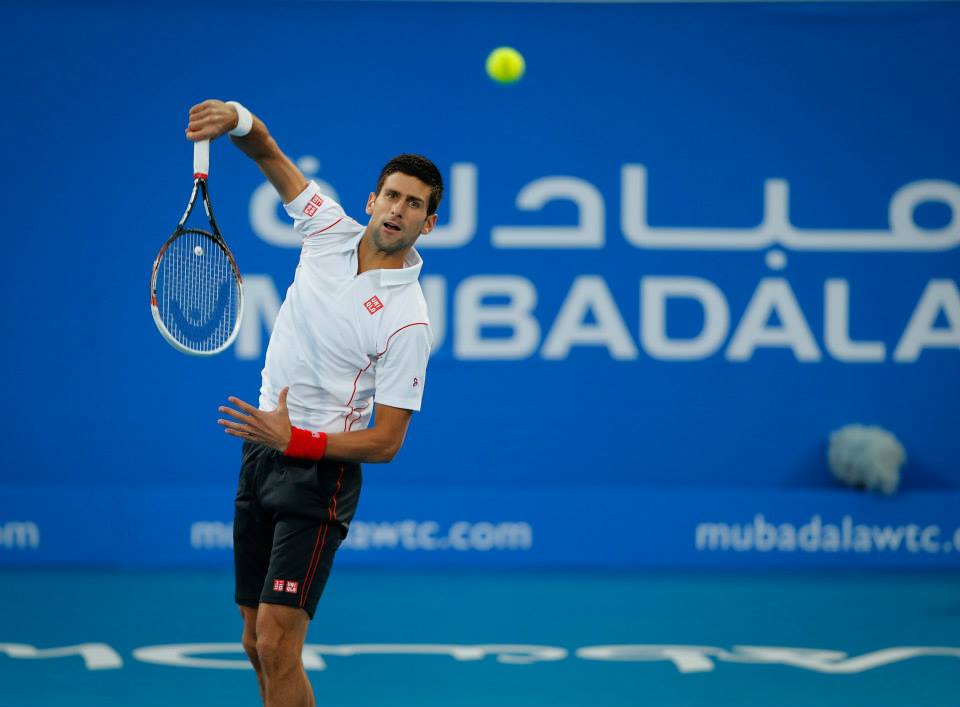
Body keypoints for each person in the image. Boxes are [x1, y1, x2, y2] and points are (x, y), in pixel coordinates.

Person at [186, 98, 441, 707]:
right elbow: (268, 151)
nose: (398, 210)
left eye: (414, 204)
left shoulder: (408, 322)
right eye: (391, 196)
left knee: (279, 644)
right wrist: (237, 120)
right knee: (254, 640)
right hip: (260, 454)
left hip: (318, 475)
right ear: (370, 201)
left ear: (428, 224)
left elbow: (386, 442)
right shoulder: (326, 227)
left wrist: (295, 441)